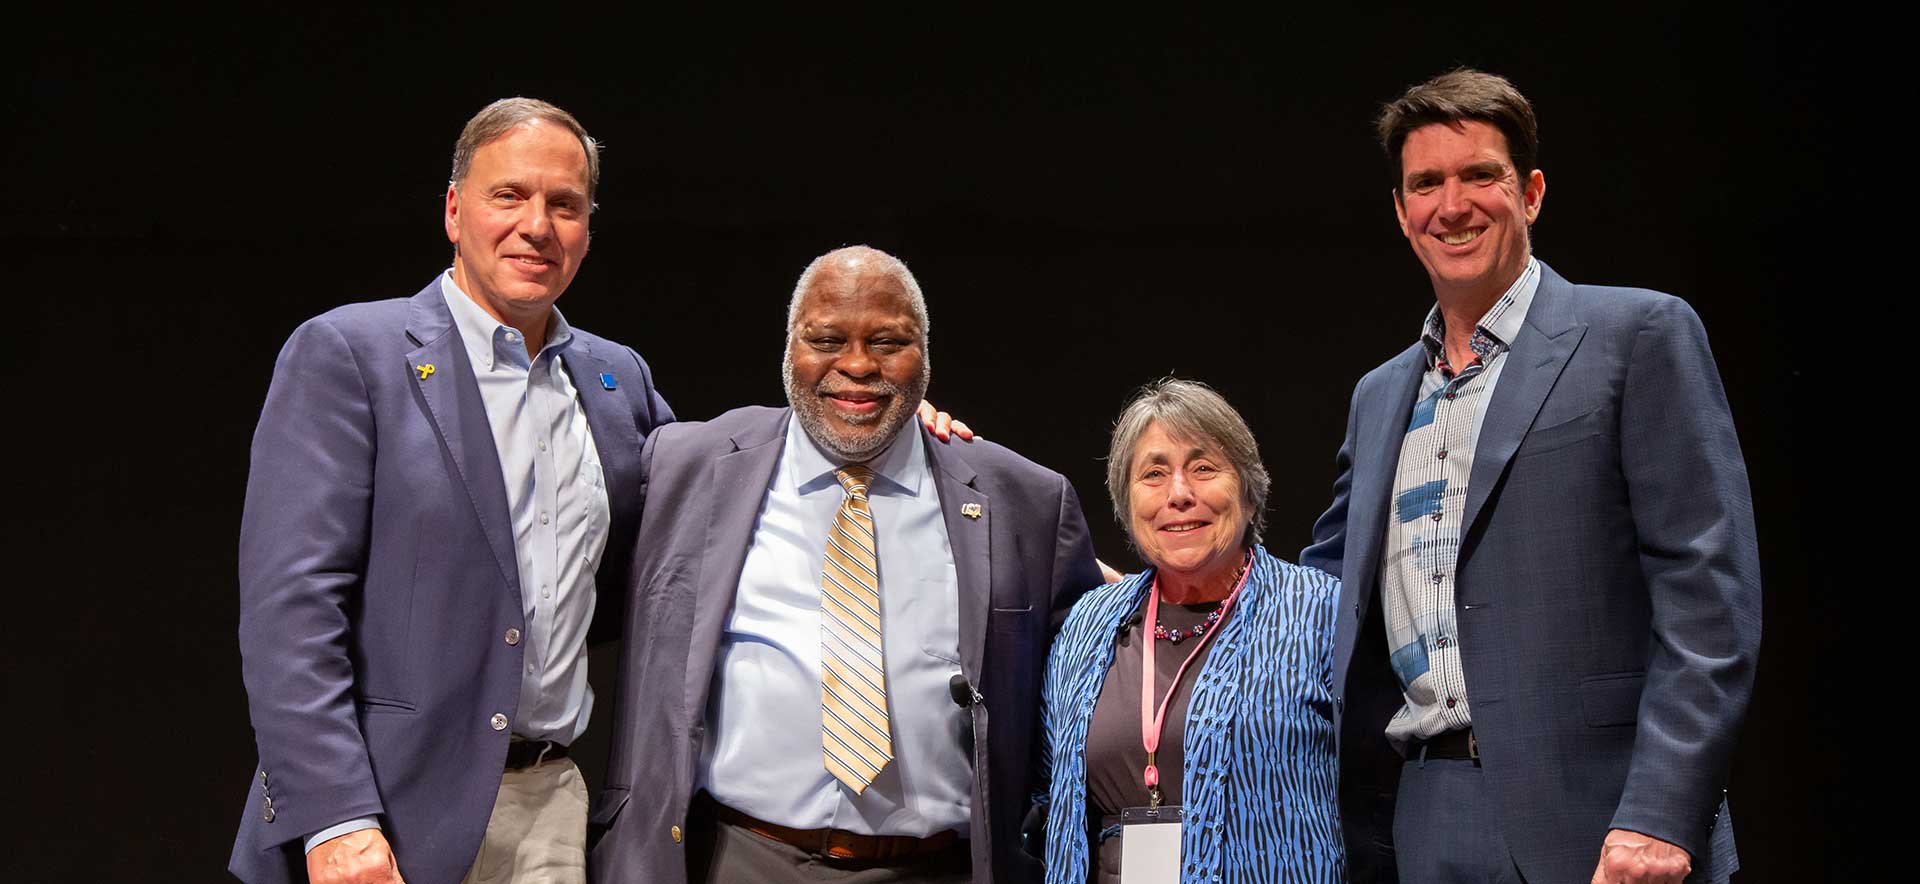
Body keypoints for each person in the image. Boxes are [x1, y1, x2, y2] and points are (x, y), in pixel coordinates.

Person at [230, 99, 968, 884]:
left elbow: (727, 504)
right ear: (454, 210)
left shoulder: (616, 381)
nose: (537, 225)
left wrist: (877, 414)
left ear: (588, 227)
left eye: (565, 205)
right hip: (388, 808)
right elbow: (292, 611)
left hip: (549, 802)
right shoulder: (351, 356)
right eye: (508, 195)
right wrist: (336, 818)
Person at [1300, 69, 1760, 884]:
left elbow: (1709, 599)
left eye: (1481, 175)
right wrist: (1135, 585)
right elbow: (1315, 596)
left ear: (1532, 192)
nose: (1453, 204)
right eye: (1426, 184)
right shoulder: (1379, 397)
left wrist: (1659, 811)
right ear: (1402, 213)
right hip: (1422, 817)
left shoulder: (1637, 335)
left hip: (1603, 818)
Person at [588, 245, 1104, 884]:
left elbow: (1088, 690)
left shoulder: (1022, 500)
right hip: (735, 857)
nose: (857, 366)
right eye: (827, 339)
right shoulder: (682, 466)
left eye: (888, 342)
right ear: (788, 349)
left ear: (925, 355)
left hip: (942, 867)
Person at [1037, 379, 1344, 884]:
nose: (1178, 494)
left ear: (1248, 491)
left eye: (1203, 469)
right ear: (1125, 502)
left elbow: (1375, 788)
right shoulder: (1086, 626)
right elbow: (1047, 791)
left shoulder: (1319, 610)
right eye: (1153, 474)